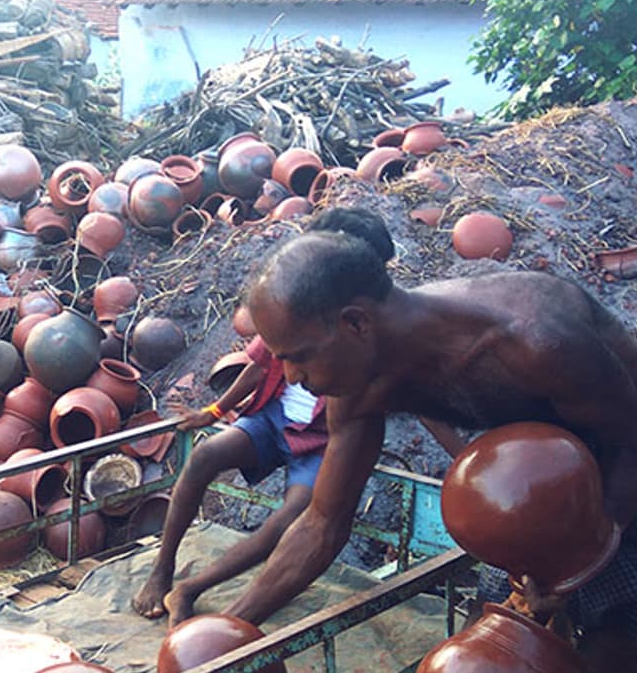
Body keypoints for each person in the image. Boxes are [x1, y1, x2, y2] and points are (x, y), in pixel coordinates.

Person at [223, 213, 637, 672]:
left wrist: (570, 568)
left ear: (355, 322)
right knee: (503, 610)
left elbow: (636, 444)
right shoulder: (355, 387)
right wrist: (229, 639)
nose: (290, 377)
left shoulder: (530, 339)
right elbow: (323, 522)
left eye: (299, 357)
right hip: (546, 462)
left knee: (621, 619)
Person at [132, 209, 464, 627]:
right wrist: (216, 410)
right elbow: (256, 363)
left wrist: (466, 460)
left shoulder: (370, 329)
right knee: (203, 457)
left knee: (295, 516)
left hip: (321, 445)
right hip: (274, 421)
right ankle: (163, 569)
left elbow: (417, 398)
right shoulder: (295, 299)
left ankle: (192, 588)